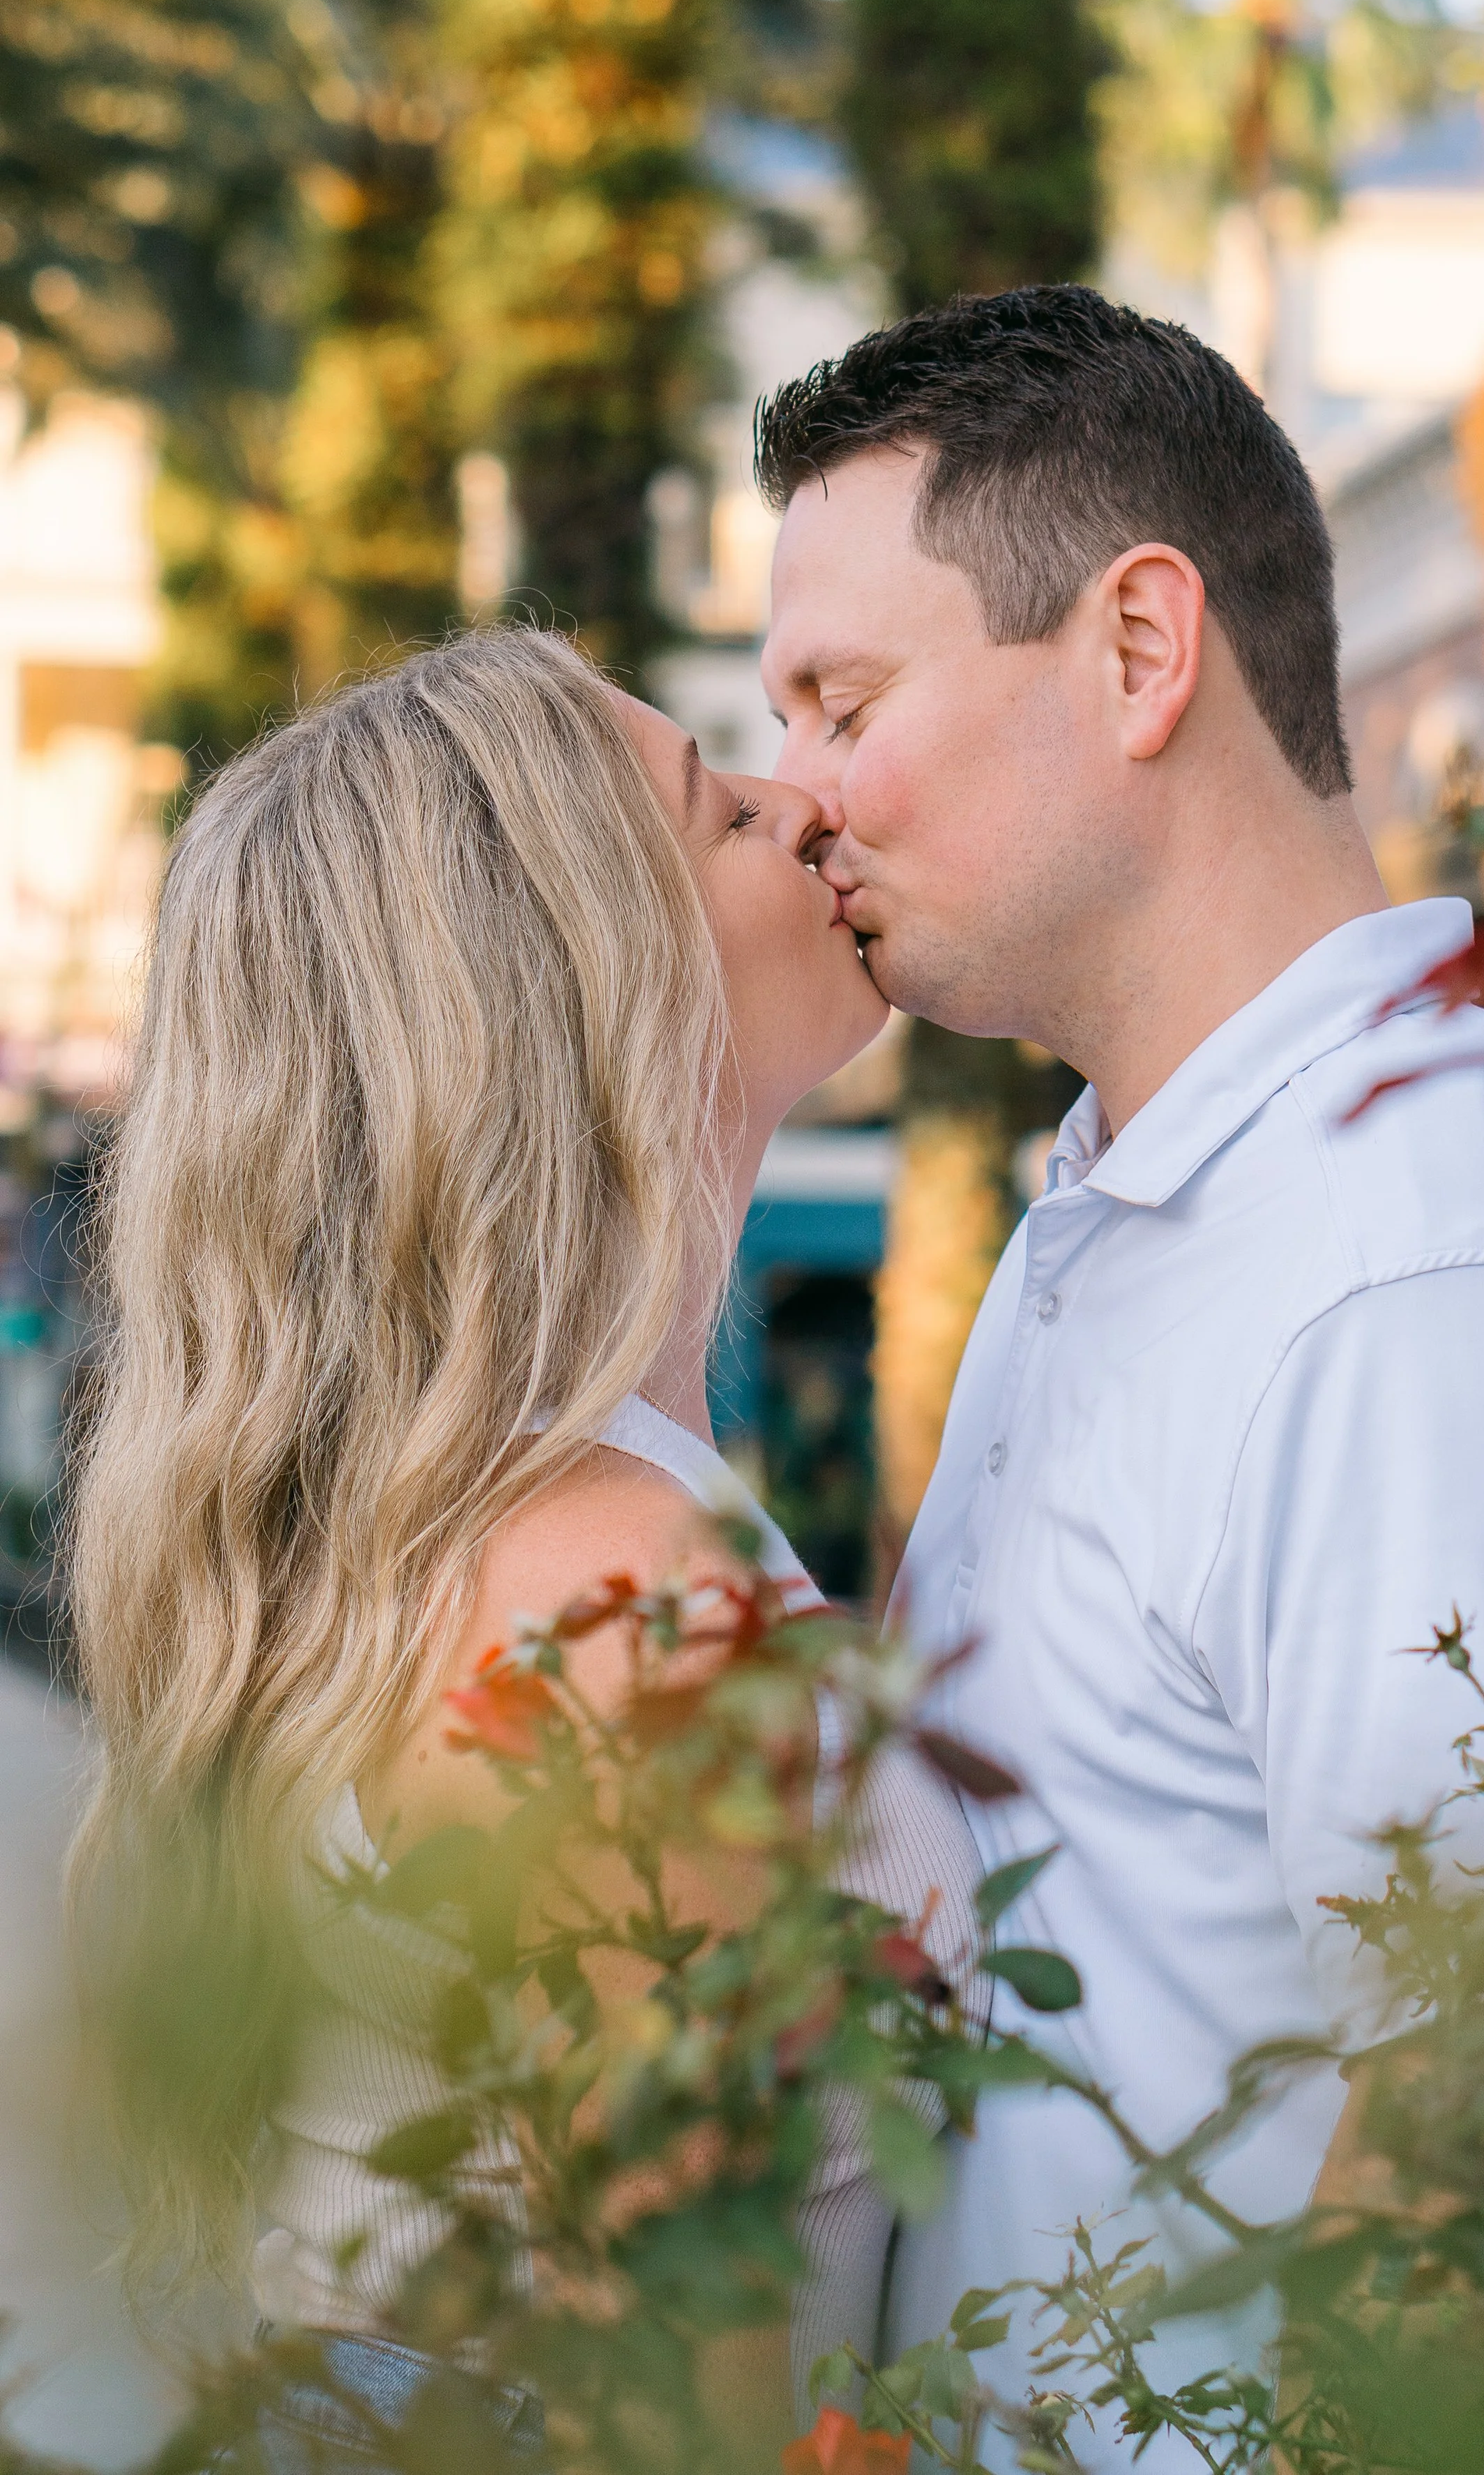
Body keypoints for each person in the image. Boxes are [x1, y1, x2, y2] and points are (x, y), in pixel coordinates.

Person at [757, 284, 1484, 2465]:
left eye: (839, 697)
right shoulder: (1136, 1197)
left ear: (1137, 648)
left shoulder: (1411, 1268)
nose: (795, 794)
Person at [66, 629, 983, 2462]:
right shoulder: (620, 1584)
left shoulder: (469, 1515)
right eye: (723, 807)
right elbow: (670, 2363)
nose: (805, 801)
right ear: (575, 980)